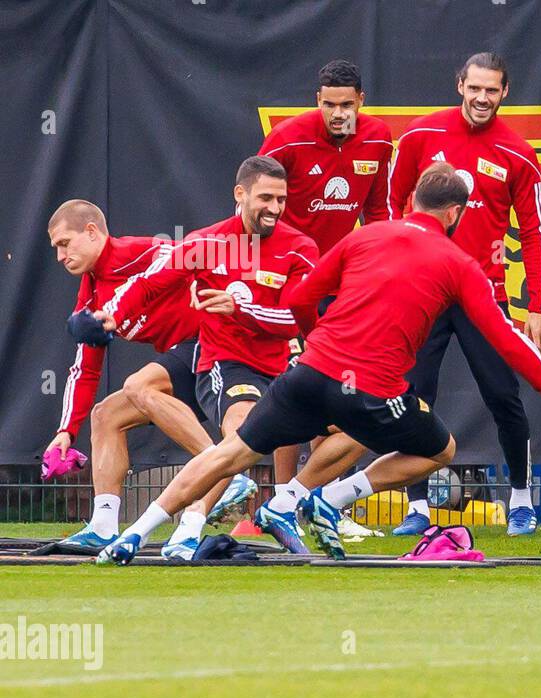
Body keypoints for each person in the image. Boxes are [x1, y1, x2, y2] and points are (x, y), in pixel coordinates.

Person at [98, 163, 541, 566]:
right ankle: (321, 499)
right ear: (454, 214)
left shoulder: (364, 238)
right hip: (371, 390)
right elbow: (509, 344)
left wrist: (310, 345)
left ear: (409, 202)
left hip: (305, 374)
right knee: (440, 448)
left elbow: (301, 301)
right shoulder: (459, 264)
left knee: (231, 452)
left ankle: (132, 535)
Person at [94, 156, 319, 557]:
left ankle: (291, 503)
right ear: (240, 194)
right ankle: (182, 525)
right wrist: (110, 316)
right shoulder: (207, 243)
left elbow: (296, 320)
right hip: (227, 363)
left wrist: (241, 308)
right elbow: (147, 283)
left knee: (348, 428)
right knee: (237, 438)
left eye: (281, 200)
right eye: (265, 197)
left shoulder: (300, 248)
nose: (275, 208)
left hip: (282, 367)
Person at [386, 52, 541, 536]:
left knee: (504, 396)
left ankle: (521, 499)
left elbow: (537, 232)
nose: (482, 98)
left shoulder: (519, 152)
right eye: (474, 87)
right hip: (422, 294)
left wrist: (540, 305)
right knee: (412, 396)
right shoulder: (420, 136)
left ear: (505, 93)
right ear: (460, 84)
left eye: (492, 90)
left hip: (484, 295)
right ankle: (417, 506)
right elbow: (390, 208)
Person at [48, 200, 255, 554]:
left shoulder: (137, 253)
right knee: (106, 415)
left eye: (65, 243)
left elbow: (194, 254)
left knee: (138, 385)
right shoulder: (92, 292)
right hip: (186, 357)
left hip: (214, 344)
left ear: (92, 232)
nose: (60, 255)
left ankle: (226, 471)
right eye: (56, 248)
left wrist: (217, 288)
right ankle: (103, 525)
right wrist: (66, 430)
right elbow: (85, 368)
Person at [257, 58, 393, 536]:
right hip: (290, 286)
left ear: (361, 102)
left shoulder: (378, 138)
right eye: (330, 104)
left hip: (343, 290)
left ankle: (316, 505)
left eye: (347, 105)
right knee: (291, 391)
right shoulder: (288, 139)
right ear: (317, 101)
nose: (339, 113)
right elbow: (258, 206)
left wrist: (380, 270)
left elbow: (378, 211)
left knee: (338, 394)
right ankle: (280, 504)